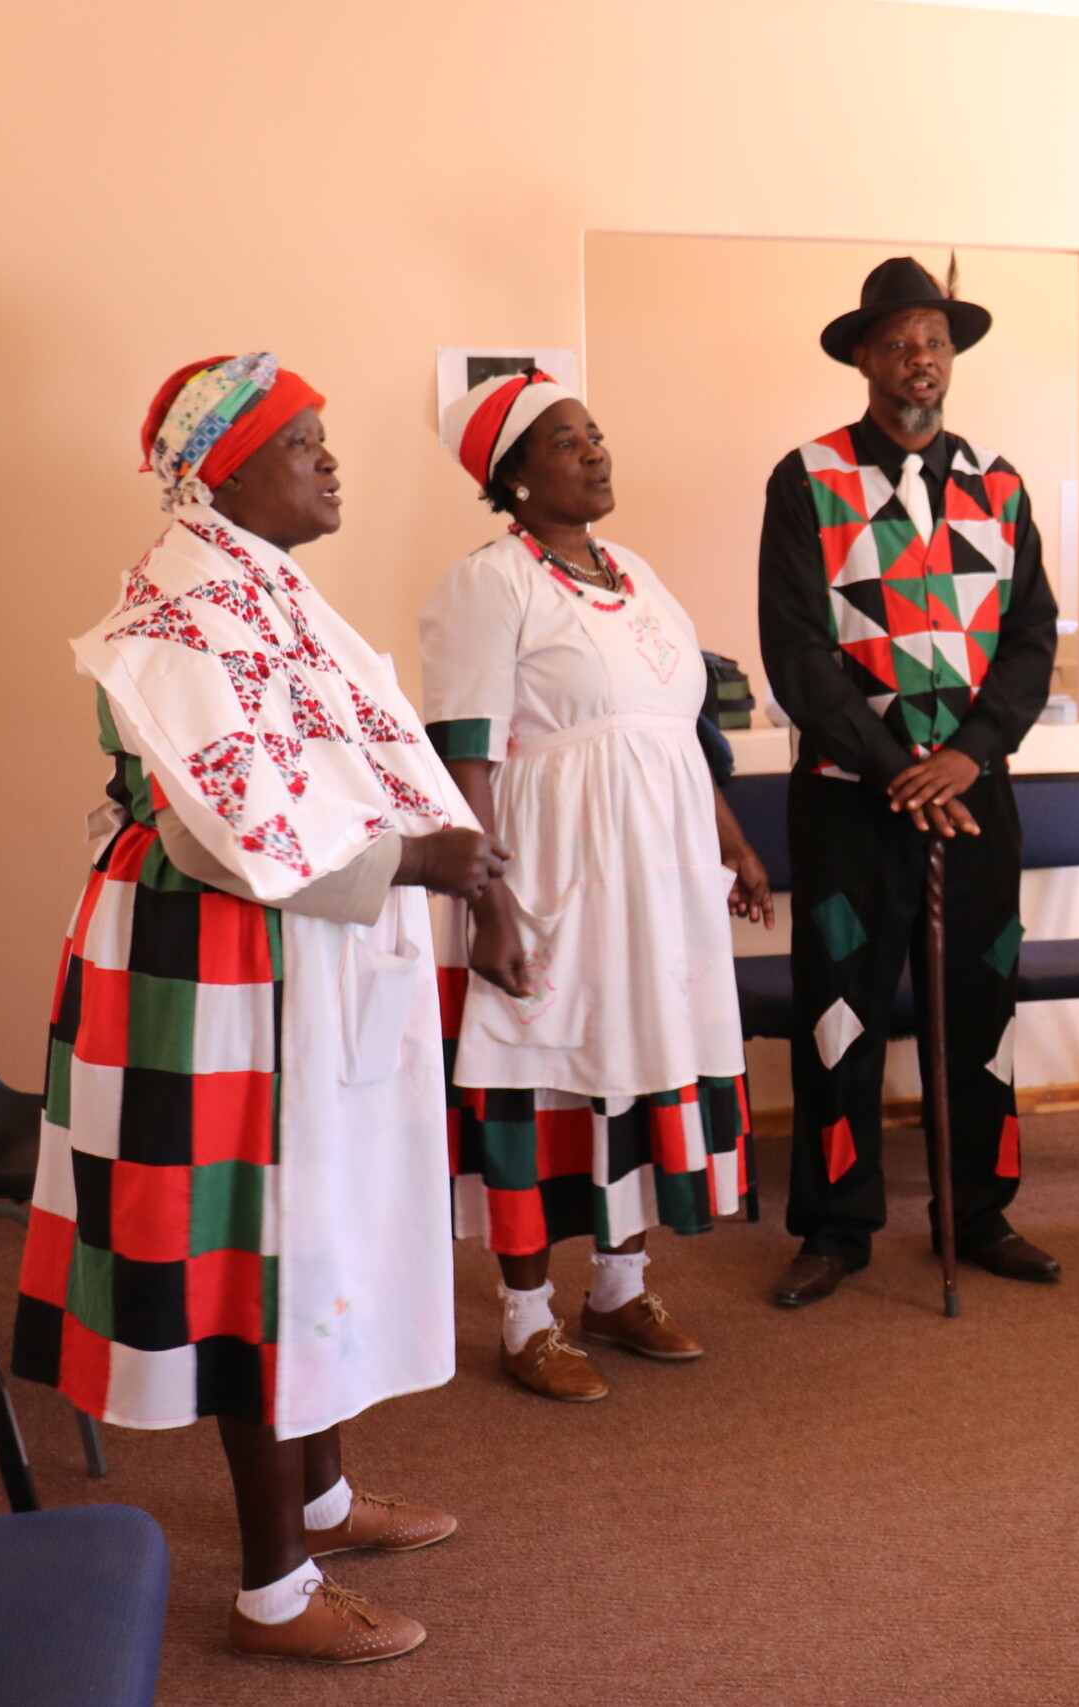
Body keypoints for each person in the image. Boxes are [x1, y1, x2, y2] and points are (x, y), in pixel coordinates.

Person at [14, 355, 510, 1662]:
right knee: (263, 1251)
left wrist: (439, 857)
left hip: (307, 963)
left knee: (326, 1221)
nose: (331, 462)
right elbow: (230, 833)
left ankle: (328, 1497)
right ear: (223, 468)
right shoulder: (177, 618)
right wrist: (417, 860)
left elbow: (363, 765)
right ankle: (273, 1585)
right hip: (220, 969)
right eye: (304, 443)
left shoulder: (275, 598)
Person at [422, 371, 768, 1400]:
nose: (595, 450)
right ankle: (525, 1318)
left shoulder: (639, 574)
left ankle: (619, 1288)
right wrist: (489, 903)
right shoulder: (489, 582)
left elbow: (676, 739)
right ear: (514, 475)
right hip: (555, 871)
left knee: (640, 1061)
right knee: (543, 1073)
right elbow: (465, 756)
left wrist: (734, 843)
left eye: (596, 433)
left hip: (661, 882)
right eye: (567, 441)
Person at [758, 256, 1061, 1308]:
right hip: (851, 797)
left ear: (950, 354)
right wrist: (902, 771)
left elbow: (1031, 638)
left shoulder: (1001, 483)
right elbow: (795, 652)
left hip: (976, 797)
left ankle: (979, 1212)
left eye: (931, 339)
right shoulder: (807, 478)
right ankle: (836, 1228)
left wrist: (965, 759)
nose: (917, 359)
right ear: (862, 358)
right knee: (838, 1013)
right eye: (895, 342)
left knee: (981, 1010)